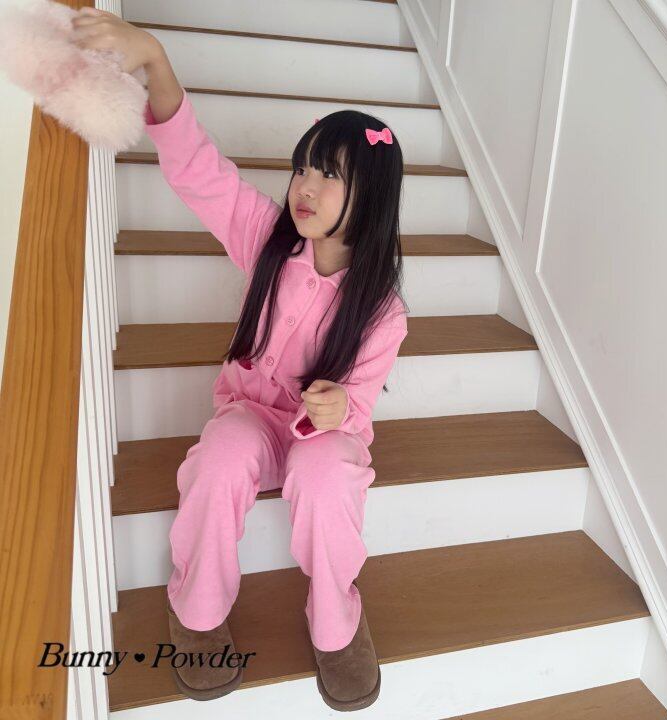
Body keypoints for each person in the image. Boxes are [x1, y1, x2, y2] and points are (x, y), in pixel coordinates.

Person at [71, 8, 408, 710]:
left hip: (323, 440)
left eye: (329, 174)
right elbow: (200, 170)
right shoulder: (267, 239)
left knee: (326, 478)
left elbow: (359, 407)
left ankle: (337, 620)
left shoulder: (383, 311)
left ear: (371, 198)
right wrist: (155, 61)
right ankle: (197, 612)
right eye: (302, 167)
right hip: (251, 416)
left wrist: (338, 407)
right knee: (220, 458)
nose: (304, 185)